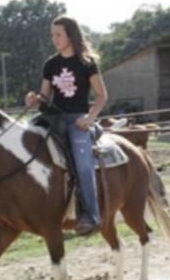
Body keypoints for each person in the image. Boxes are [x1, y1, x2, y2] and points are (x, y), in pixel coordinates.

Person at [25, 15, 108, 235]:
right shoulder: (50, 64)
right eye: (52, 35)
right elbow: (44, 96)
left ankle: (90, 215)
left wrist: (89, 119)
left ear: (70, 35)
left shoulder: (87, 64)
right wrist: (34, 100)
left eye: (58, 34)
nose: (54, 39)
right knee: (22, 142)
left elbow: (101, 96)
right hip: (52, 118)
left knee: (83, 164)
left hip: (77, 120)